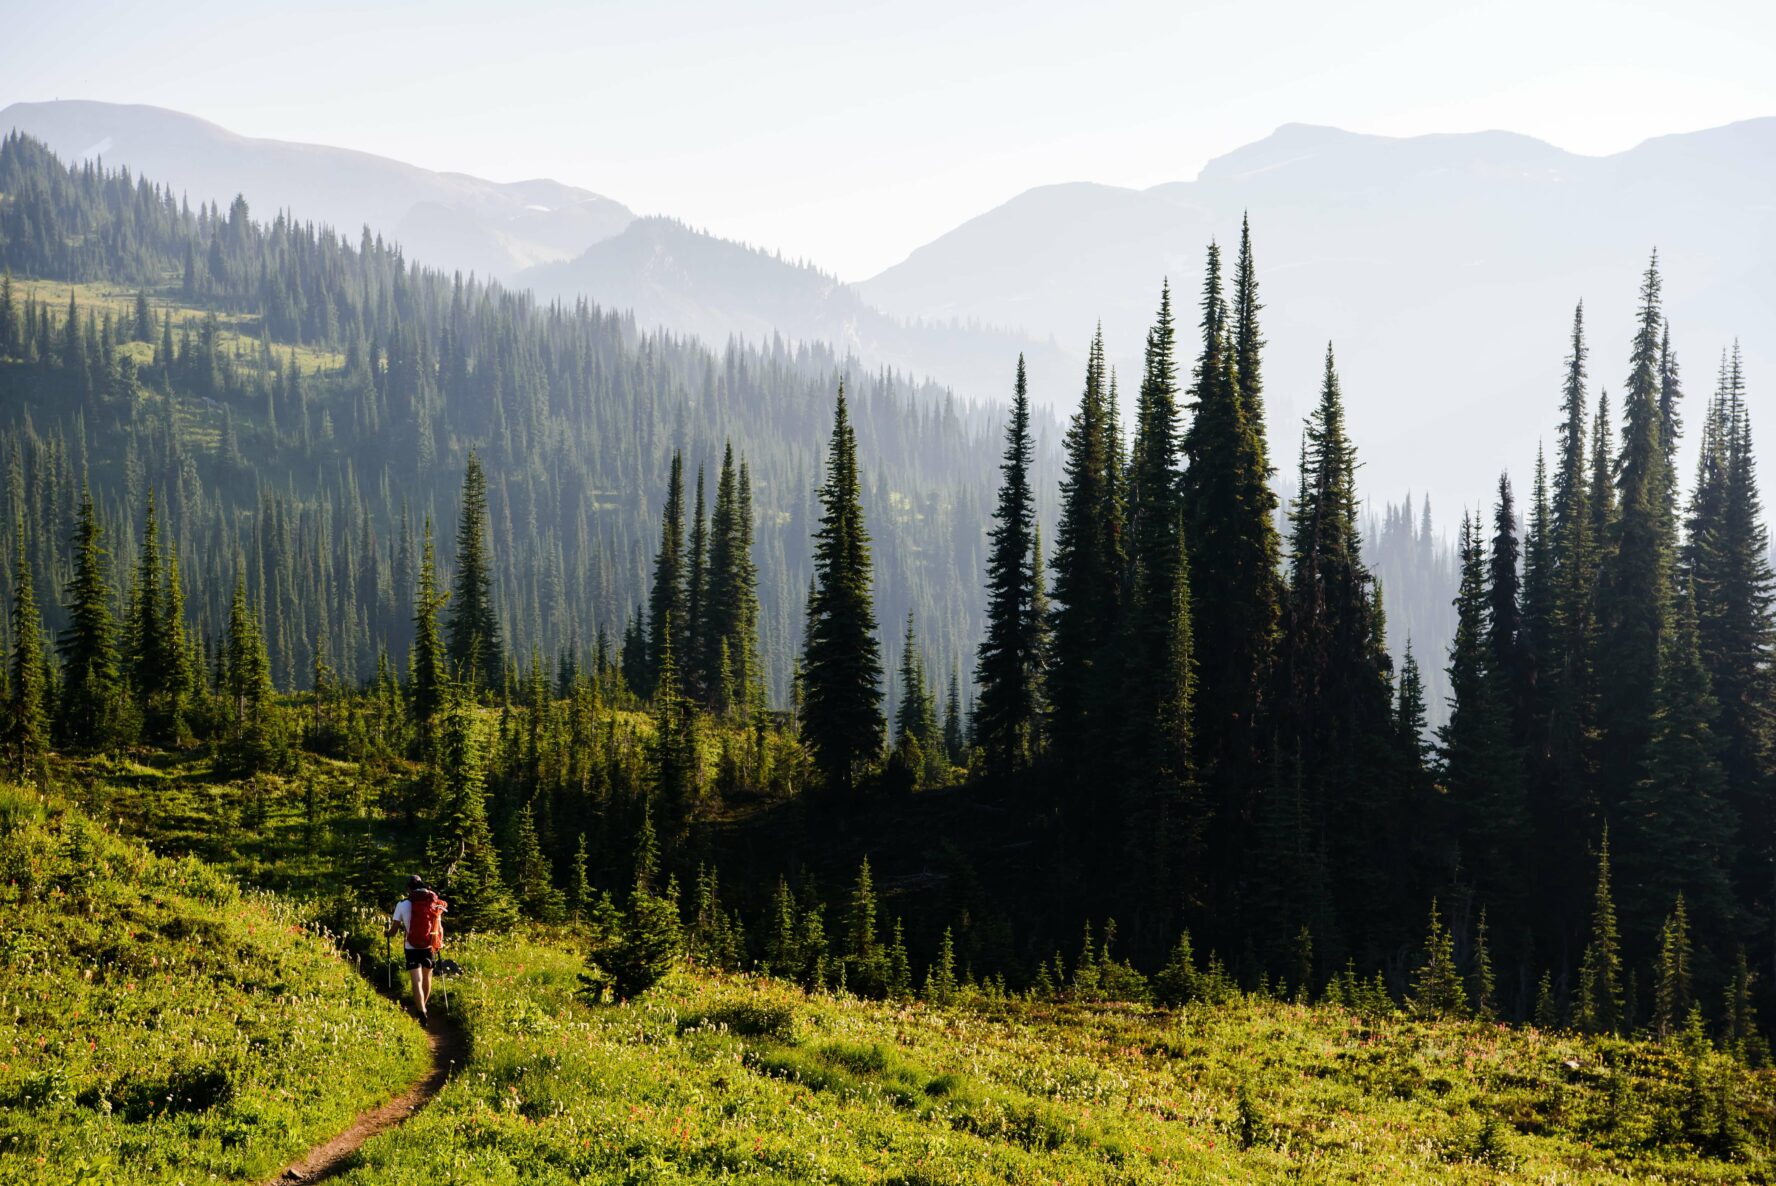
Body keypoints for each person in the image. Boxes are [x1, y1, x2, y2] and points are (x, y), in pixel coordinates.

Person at [386, 874, 447, 1025]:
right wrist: (439, 941)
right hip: (429, 945)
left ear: (409, 889)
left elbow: (393, 931)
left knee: (416, 980)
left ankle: (421, 1011)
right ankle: (422, 1007)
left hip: (411, 947)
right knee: (427, 978)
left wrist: (387, 934)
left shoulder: (403, 904)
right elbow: (438, 926)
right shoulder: (432, 903)